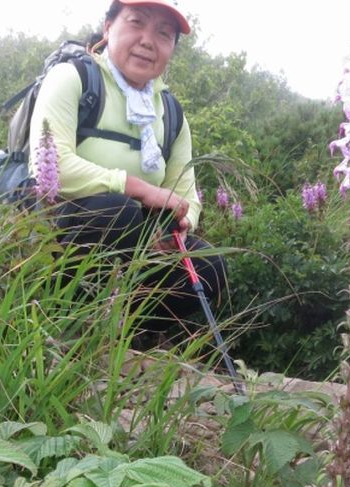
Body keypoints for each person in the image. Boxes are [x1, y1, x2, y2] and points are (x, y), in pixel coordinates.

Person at [28, 0, 225, 337]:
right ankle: (64, 321)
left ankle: (129, 334)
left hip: (138, 244)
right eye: (137, 22)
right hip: (55, 235)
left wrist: (177, 226)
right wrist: (138, 188)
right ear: (108, 27)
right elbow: (51, 166)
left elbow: (188, 197)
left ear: (172, 49)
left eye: (163, 34)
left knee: (210, 266)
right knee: (115, 211)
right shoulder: (72, 78)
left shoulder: (171, 114)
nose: (148, 41)